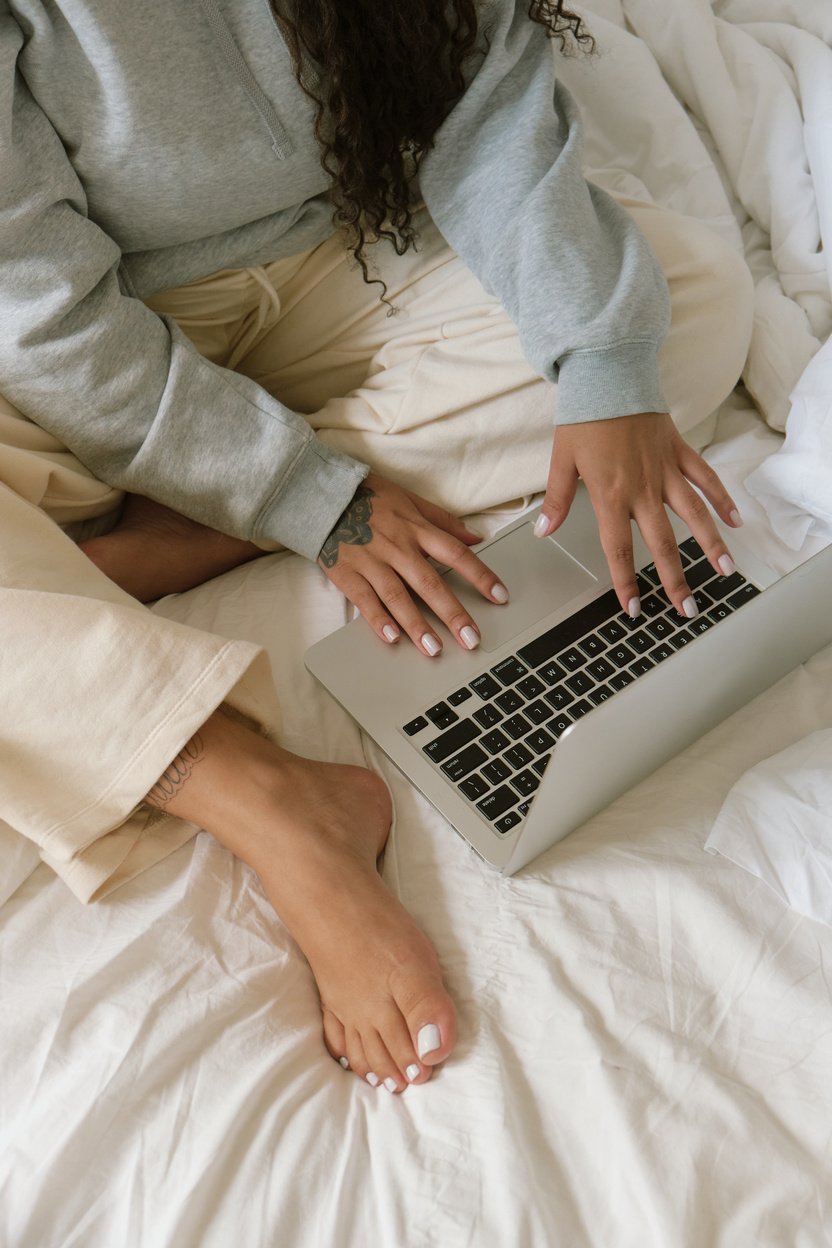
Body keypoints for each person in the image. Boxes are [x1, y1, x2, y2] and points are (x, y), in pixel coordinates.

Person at [0, 0, 753, 1093]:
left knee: (682, 307)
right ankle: (260, 794)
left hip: (341, 256)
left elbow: (484, 101)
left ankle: (137, 561)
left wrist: (599, 362)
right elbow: (37, 309)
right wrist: (311, 498)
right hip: (72, 345)